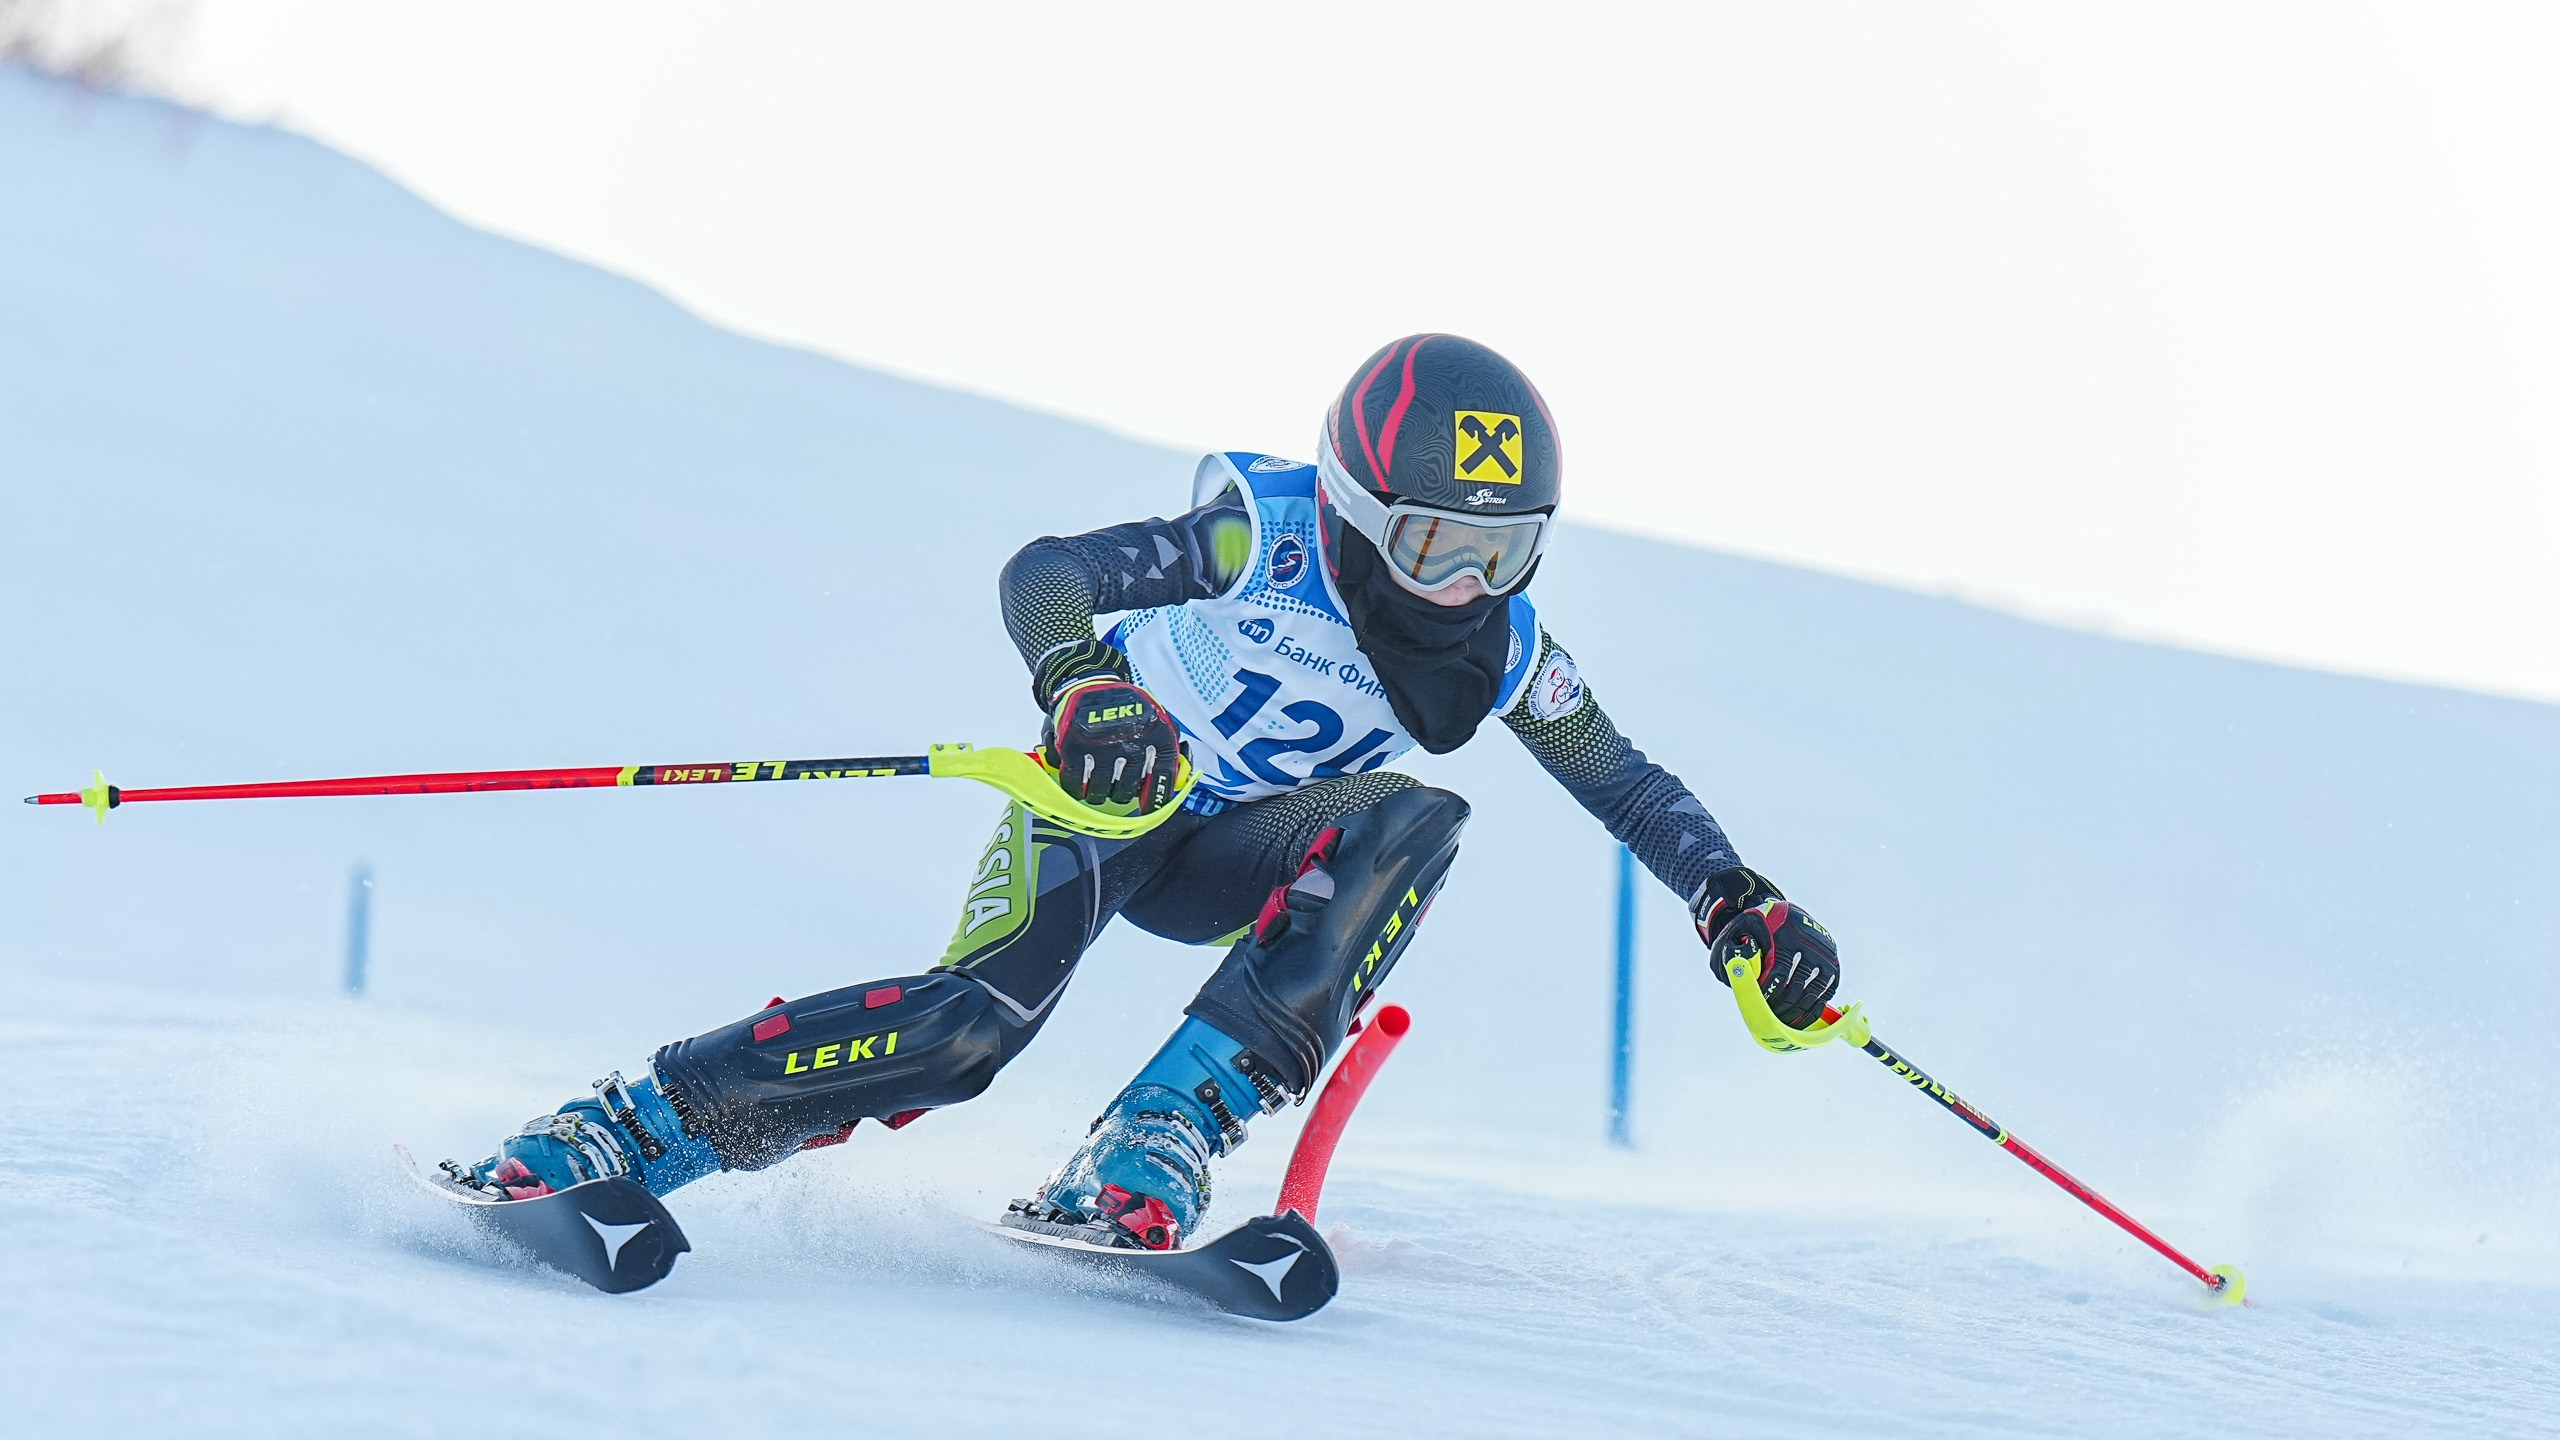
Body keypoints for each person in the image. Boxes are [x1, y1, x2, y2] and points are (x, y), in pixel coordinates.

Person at [453, 334, 1843, 1251]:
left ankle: (1161, 1127)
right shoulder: (1262, 536)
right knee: (963, 1039)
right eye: (1433, 546)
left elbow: (1622, 780)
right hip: (1106, 804)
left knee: (1415, 817)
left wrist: (1733, 900)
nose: (1466, 587)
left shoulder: (1509, 647)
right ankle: (625, 1129)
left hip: (1242, 848)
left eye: (1504, 551)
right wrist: (1083, 685)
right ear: (1360, 513)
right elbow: (1048, 574)